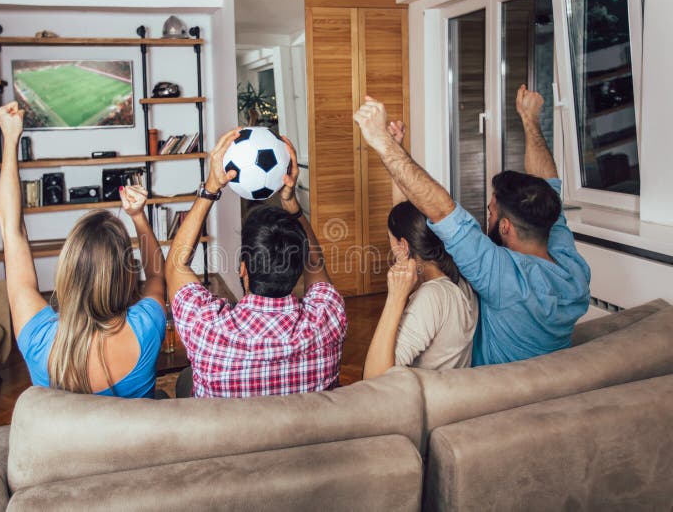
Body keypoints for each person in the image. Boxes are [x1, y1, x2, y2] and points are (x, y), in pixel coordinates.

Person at [354, 85, 590, 366]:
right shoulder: (571, 266)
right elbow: (549, 182)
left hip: (492, 389)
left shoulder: (503, 277)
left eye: (490, 212)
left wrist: (382, 142)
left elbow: (442, 209)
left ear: (505, 227)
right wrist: (529, 119)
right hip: (543, 376)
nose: (485, 216)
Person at [0, 101, 167, 398]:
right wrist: (138, 216)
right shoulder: (148, 325)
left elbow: (12, 232)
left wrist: (10, 140)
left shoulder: (39, 337)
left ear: (67, 271)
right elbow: (156, 273)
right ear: (124, 274)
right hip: (136, 445)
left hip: (67, 446)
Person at [166, 129, 347, 397]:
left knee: (186, 380)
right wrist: (291, 202)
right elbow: (316, 264)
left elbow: (175, 266)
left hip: (228, 438)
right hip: (307, 437)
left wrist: (210, 189)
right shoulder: (327, 320)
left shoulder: (208, 331)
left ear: (243, 268)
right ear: (298, 272)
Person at [363, 200, 478, 379]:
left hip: (429, 402)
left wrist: (395, 298)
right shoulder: (462, 281)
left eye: (390, 241)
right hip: (454, 393)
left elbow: (374, 380)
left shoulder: (431, 297)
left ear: (404, 246)